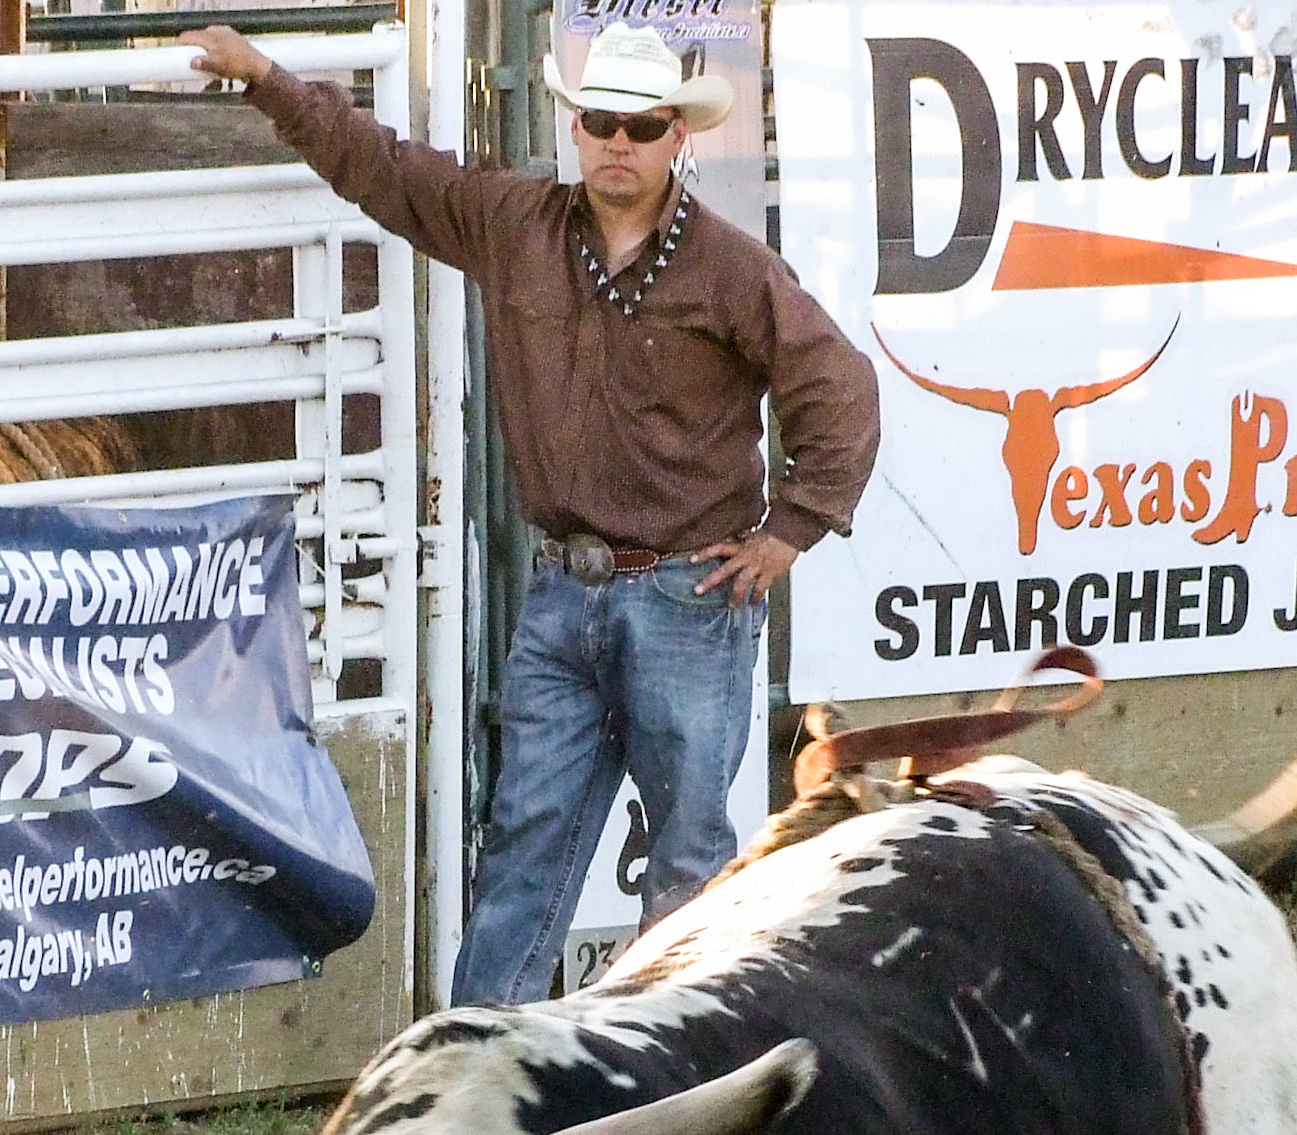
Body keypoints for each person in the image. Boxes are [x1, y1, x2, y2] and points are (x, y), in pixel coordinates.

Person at [185, 19, 881, 1003]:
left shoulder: (729, 268)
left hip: (687, 596)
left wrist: (790, 529)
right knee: (527, 841)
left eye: (643, 126)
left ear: (676, 135)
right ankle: (482, 1057)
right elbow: (382, 168)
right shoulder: (515, 224)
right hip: (567, 588)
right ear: (575, 128)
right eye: (601, 122)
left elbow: (839, 387)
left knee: (686, 858)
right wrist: (265, 77)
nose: (619, 144)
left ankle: (668, 1063)